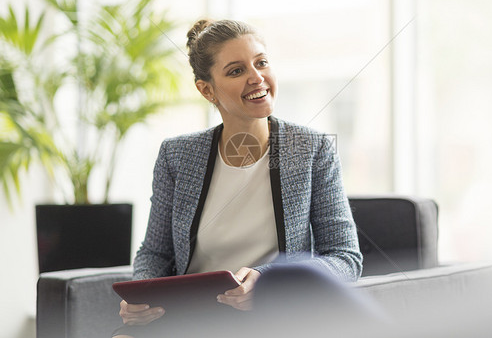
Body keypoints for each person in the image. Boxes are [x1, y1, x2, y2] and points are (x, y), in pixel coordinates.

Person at [113, 19, 363, 337]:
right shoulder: (177, 155)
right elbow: (156, 253)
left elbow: (345, 259)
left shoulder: (311, 149)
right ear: (207, 90)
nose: (256, 77)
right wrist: (141, 295)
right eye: (236, 71)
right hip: (188, 318)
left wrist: (271, 280)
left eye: (261, 63)